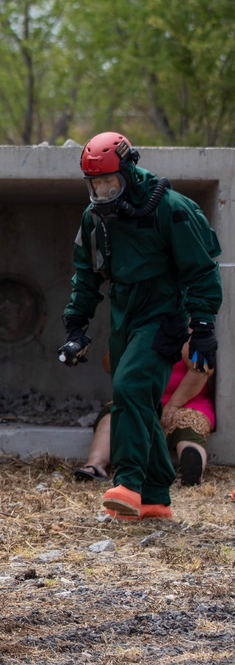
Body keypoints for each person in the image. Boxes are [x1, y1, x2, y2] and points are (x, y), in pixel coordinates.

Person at [59, 131, 222, 520]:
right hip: (124, 309)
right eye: (94, 183)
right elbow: (86, 275)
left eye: (109, 182)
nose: (102, 190)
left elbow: (202, 270)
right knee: (140, 399)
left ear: (128, 171)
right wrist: (75, 326)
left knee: (128, 385)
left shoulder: (170, 207)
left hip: (164, 311)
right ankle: (156, 496)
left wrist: (202, 325)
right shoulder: (94, 217)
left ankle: (130, 483)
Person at [74, 343, 215, 488]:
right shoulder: (138, 330)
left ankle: (192, 472)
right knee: (113, 415)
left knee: (189, 426)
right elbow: (109, 365)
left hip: (186, 401)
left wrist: (173, 405)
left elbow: (201, 370)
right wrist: (124, 342)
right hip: (141, 399)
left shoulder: (189, 334)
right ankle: (95, 465)